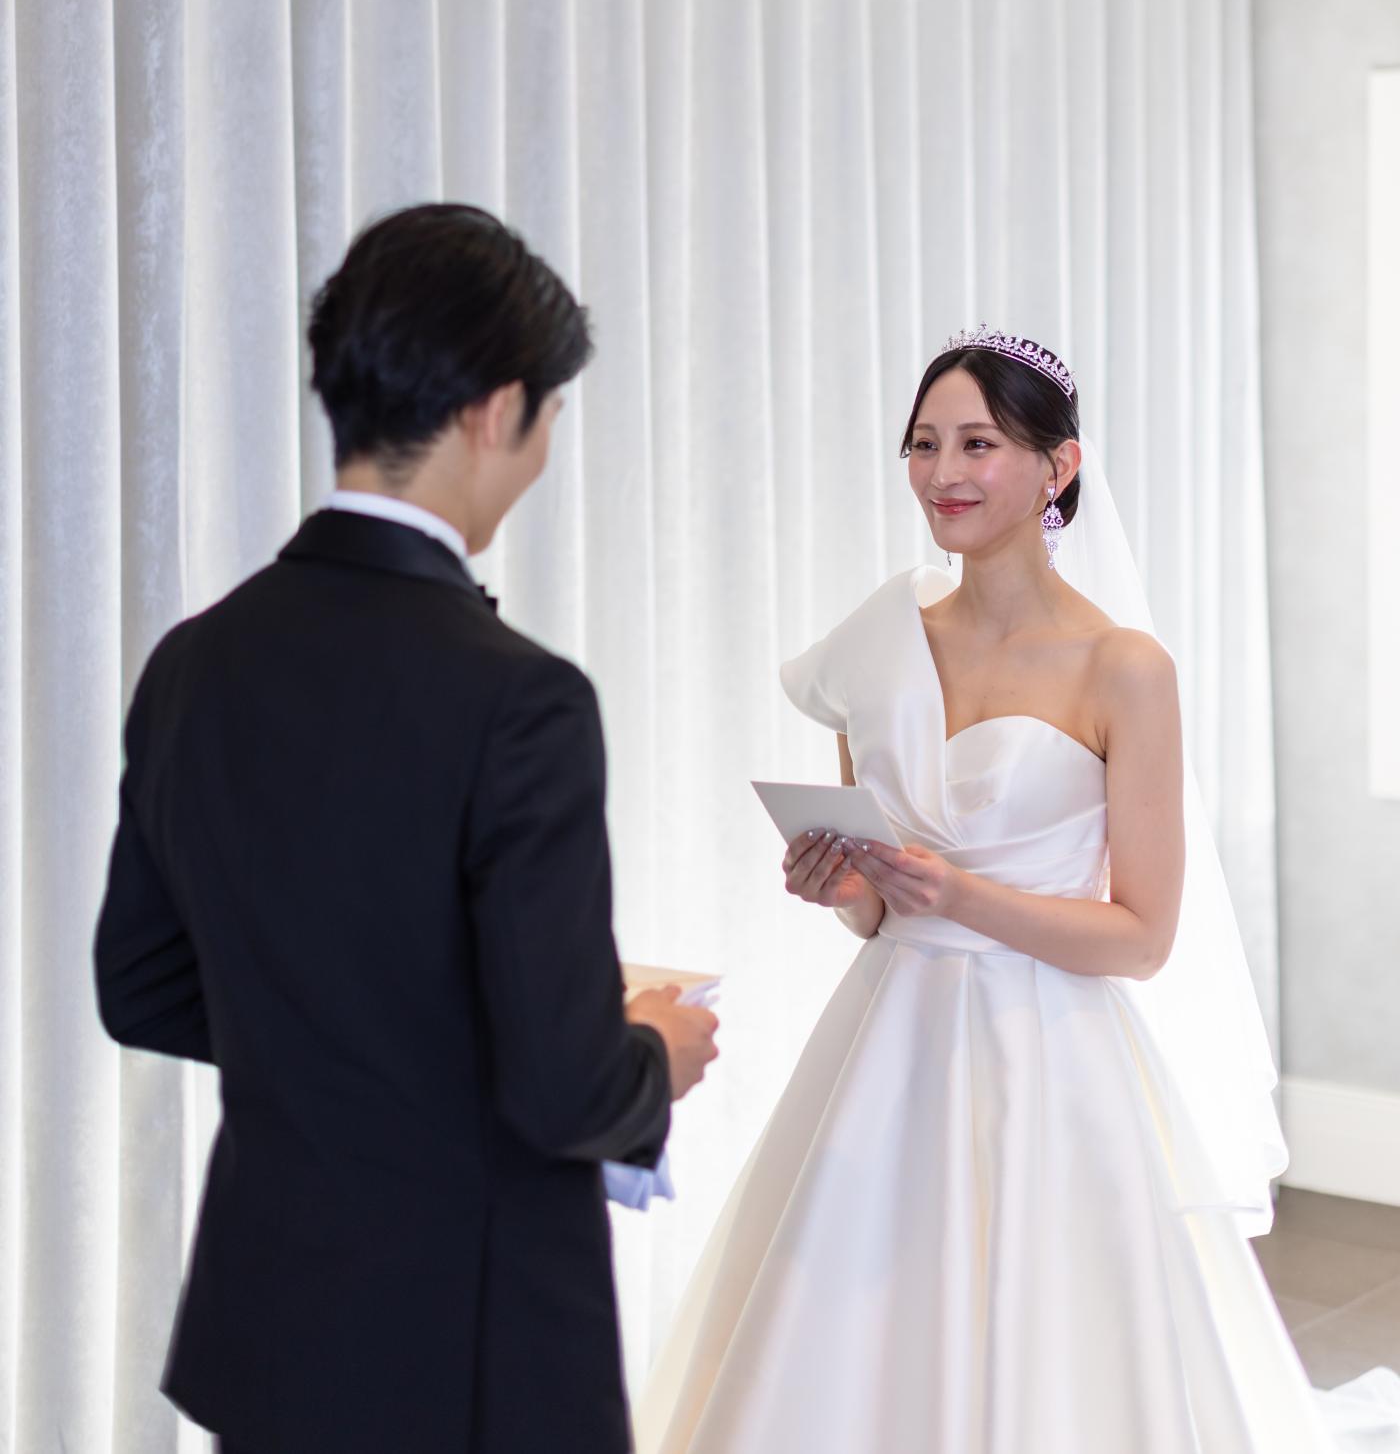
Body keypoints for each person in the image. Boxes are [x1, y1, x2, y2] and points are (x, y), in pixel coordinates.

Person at [635, 325, 1400, 1454]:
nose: (942, 473)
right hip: (887, 1049)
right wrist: (841, 883)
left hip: (1049, 1054)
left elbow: (1140, 937)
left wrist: (956, 896)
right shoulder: (875, 644)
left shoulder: (1121, 667)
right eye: (923, 443)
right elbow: (875, 916)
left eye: (977, 444)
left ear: (1058, 466)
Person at [94, 202, 719, 1454]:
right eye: (549, 415)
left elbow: (143, 987)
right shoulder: (523, 698)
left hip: (270, 1336)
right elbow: (564, 1087)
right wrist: (652, 1051)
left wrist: (348, 1027)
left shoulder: (194, 663)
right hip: (471, 1353)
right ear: (497, 410)